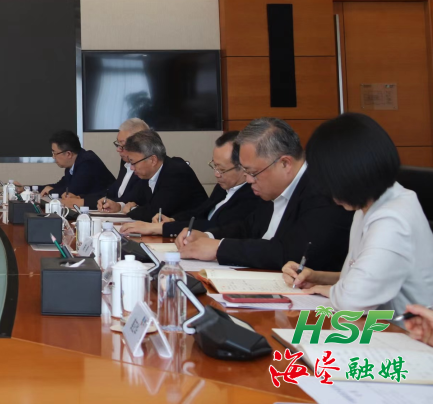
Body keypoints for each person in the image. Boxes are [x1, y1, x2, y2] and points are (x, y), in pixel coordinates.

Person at [281, 113, 433, 315]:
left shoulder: (393, 220)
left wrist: (331, 291)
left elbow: (353, 299)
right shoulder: (371, 203)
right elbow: (361, 277)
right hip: (376, 323)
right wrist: (318, 278)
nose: (326, 191)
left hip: (404, 330)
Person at [176, 117, 352, 271]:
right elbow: (248, 228)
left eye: (253, 172)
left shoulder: (322, 190)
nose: (248, 180)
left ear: (285, 163)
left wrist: (218, 248)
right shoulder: (272, 188)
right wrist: (207, 236)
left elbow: (293, 253)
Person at [120, 131, 260, 238]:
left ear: (243, 167)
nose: (216, 174)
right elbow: (199, 212)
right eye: (214, 166)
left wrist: (160, 228)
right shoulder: (224, 186)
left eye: (222, 169)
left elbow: (217, 225)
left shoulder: (253, 193)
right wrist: (172, 220)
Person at [98, 130, 207, 222]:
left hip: (197, 233)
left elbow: (156, 212)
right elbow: (135, 198)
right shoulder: (148, 174)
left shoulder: (176, 172)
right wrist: (119, 206)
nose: (131, 168)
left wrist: (132, 210)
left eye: (133, 162)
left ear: (153, 160)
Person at [73, 118, 150, 210]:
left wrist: (83, 202)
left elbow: (132, 199)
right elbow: (111, 192)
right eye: (118, 144)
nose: (118, 149)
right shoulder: (125, 162)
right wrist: (81, 198)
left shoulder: (146, 167)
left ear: (140, 144)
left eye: (122, 145)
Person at [41, 130, 114, 202]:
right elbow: (62, 185)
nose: (53, 157)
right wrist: (36, 188)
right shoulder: (72, 164)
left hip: (108, 205)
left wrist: (50, 191)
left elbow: (72, 192)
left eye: (55, 153)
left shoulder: (88, 163)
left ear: (68, 154)